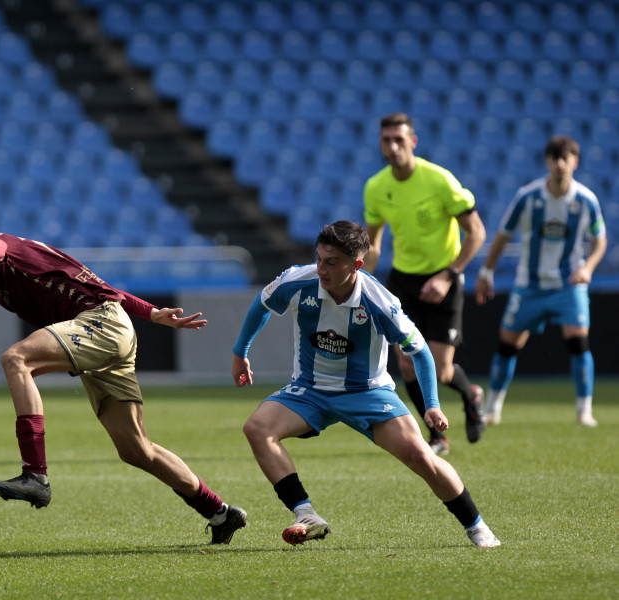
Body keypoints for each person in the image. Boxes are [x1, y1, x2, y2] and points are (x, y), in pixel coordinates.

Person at [0, 211, 246, 544]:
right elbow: (96, 284)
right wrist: (151, 312)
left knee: (16, 359)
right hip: (109, 326)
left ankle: (35, 474)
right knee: (136, 450)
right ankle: (220, 513)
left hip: (100, 325)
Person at [232, 221, 500, 548]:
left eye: (332, 263)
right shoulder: (297, 281)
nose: (321, 269)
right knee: (257, 428)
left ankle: (476, 526)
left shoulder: (379, 301)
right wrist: (240, 352)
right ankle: (307, 515)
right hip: (310, 390)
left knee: (421, 457)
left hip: (368, 393)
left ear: (356, 265)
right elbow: (262, 304)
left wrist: (432, 404)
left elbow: (421, 352)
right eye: (319, 259)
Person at [362, 112, 488, 456]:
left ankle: (471, 394)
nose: (392, 146)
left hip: (443, 276)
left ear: (413, 142)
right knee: (407, 363)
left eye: (399, 140)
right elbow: (373, 245)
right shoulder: (376, 187)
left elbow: (476, 232)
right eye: (386, 140)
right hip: (404, 280)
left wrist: (450, 274)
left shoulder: (439, 181)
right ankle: (437, 436)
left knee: (442, 368)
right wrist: (360, 280)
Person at [475, 135, 606, 427]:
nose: (560, 164)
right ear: (547, 162)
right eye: (555, 158)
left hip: (568, 285)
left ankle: (585, 411)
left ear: (575, 162)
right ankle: (493, 409)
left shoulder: (586, 200)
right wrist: (486, 272)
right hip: (529, 285)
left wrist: (589, 269)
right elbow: (503, 234)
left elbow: (600, 240)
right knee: (508, 345)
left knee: (579, 342)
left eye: (566, 158)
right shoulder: (528, 197)